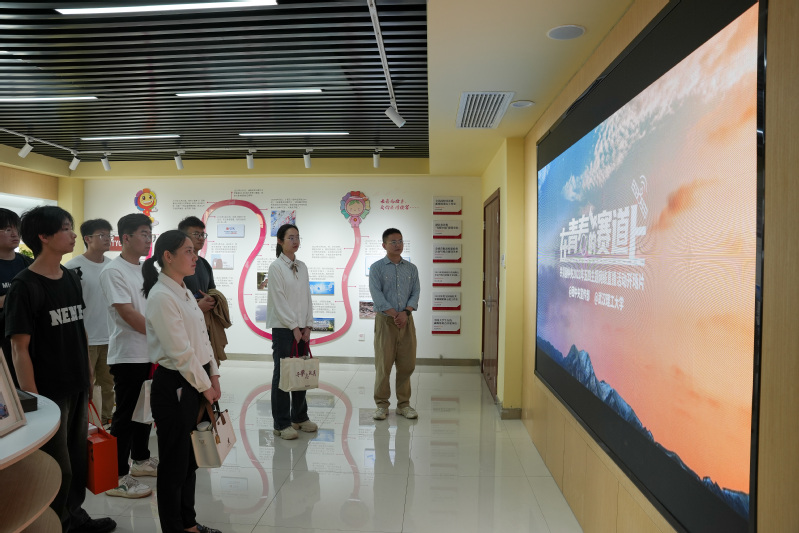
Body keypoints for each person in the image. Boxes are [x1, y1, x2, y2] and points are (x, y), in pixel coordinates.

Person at [5, 206, 116, 533]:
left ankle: (74, 517)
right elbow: (19, 348)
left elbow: (79, 327)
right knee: (58, 466)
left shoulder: (69, 277)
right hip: (48, 391)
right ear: (44, 236)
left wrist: (87, 371)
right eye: (66, 229)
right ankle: (56, 524)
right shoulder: (25, 285)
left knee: (78, 460)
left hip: (76, 382)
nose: (72, 235)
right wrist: (34, 399)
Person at [143, 230, 222, 533]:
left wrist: (213, 374)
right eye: (188, 251)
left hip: (196, 378)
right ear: (168, 256)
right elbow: (180, 352)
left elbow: (202, 338)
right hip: (176, 382)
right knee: (175, 462)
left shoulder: (184, 290)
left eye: (195, 250)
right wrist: (206, 386)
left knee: (191, 459)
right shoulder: (161, 296)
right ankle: (174, 528)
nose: (195, 256)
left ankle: (188, 523)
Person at [100, 213, 157, 498]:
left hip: (151, 352)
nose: (148, 240)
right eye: (144, 234)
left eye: (150, 234)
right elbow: (128, 314)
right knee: (124, 416)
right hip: (128, 354)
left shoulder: (147, 269)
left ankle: (141, 460)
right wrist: (162, 333)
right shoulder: (113, 271)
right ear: (126, 237)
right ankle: (117, 476)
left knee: (144, 411)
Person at [265, 223, 316, 440]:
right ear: (280, 241)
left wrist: (308, 325)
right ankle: (282, 423)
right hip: (284, 328)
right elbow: (279, 300)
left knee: (300, 371)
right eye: (290, 237)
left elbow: (307, 297)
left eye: (297, 237)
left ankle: (300, 417)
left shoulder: (302, 266)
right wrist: (294, 325)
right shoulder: (276, 267)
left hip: (302, 328)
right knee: (283, 374)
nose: (295, 241)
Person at [66, 219, 114, 426]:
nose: (107, 239)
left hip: (110, 337)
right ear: (87, 239)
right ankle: (86, 425)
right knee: (86, 385)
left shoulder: (113, 266)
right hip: (86, 338)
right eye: (102, 235)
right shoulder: (73, 267)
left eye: (109, 235)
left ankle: (107, 423)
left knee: (108, 385)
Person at [369, 228, 420, 420]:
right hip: (385, 322)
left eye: (400, 241)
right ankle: (382, 405)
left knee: (407, 364)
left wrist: (405, 313)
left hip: (406, 321)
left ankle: (404, 405)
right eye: (393, 242)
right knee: (383, 365)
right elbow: (377, 294)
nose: (398, 245)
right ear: (384, 245)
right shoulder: (376, 268)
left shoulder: (411, 268)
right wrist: (394, 314)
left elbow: (416, 292)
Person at [0, 207, 33, 386]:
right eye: (7, 229)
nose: (15, 234)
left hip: (28, 340)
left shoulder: (28, 263)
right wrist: (17, 297)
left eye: (16, 229)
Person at [177, 216, 216, 312]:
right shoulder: (176, 264)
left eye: (202, 234)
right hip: (183, 318)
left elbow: (212, 291)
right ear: (183, 237)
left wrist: (211, 299)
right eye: (196, 234)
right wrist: (196, 308)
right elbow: (171, 299)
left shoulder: (205, 264)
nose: (201, 238)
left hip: (204, 318)